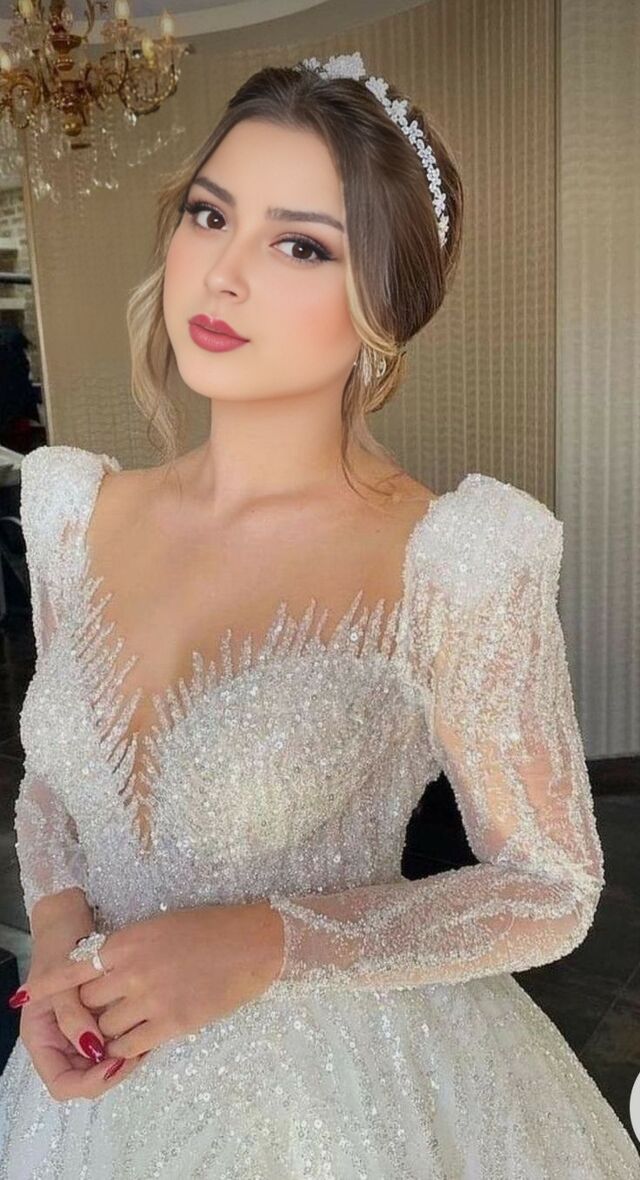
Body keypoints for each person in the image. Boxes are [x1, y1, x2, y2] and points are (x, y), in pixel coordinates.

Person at [0, 50, 637, 1178]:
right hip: (92, 1090)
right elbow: (57, 784)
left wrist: (269, 939)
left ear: (386, 304)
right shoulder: (71, 514)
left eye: (300, 245)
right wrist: (56, 931)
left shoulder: (455, 561)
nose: (222, 273)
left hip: (340, 1103)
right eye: (210, 216)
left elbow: (550, 887)